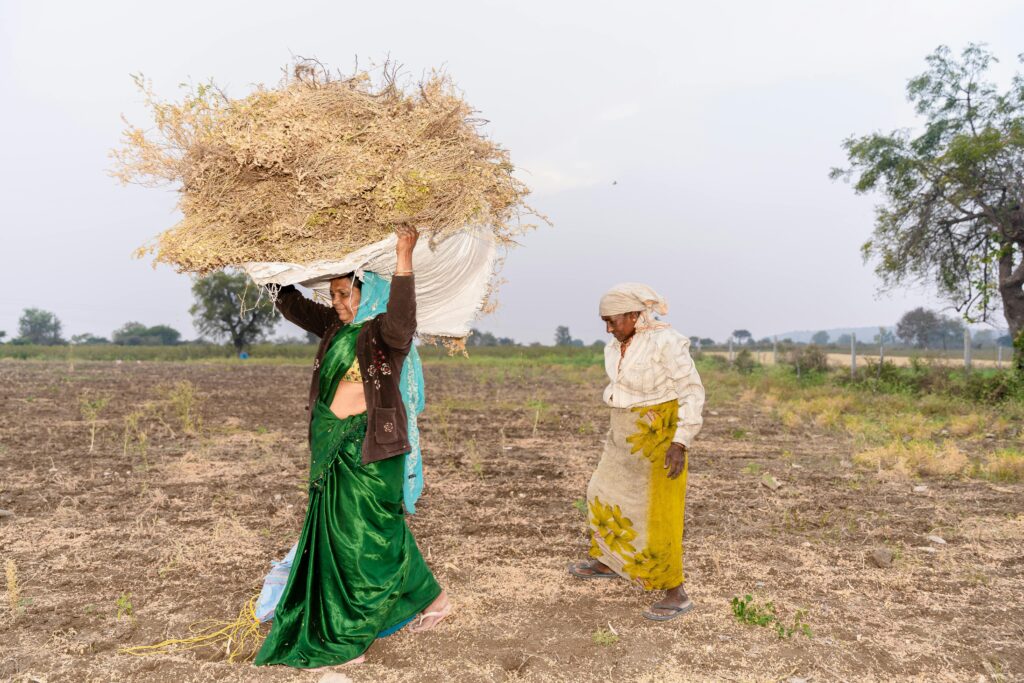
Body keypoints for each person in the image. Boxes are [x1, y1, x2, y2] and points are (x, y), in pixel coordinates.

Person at [254, 226, 450, 669]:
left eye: (345, 293)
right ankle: (434, 600)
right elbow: (292, 304)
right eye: (333, 295)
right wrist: (263, 266)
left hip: (370, 454)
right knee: (383, 531)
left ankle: (347, 629)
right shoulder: (335, 327)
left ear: (371, 290)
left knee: (358, 539)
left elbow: (404, 317)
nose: (337, 303)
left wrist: (404, 256)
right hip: (336, 450)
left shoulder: (385, 334)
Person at [568, 283, 705, 621]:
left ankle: (676, 592)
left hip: (658, 437)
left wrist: (680, 442)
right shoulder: (613, 348)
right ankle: (610, 561)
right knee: (601, 492)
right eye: (604, 322)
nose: (608, 329)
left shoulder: (666, 341)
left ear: (633, 315)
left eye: (613, 321)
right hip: (623, 434)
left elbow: (691, 391)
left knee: (657, 515)